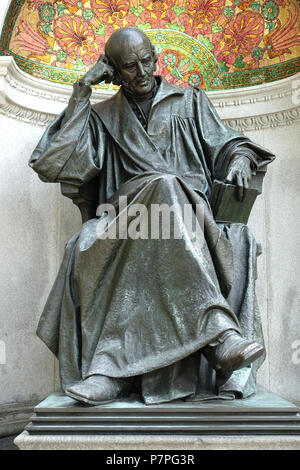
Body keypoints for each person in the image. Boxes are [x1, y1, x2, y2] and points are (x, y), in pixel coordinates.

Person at [29, 27, 275, 406]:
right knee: (160, 185)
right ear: (111, 69)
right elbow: (52, 162)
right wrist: (82, 89)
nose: (141, 71)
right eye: (128, 66)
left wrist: (240, 157)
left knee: (167, 188)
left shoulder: (190, 101)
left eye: (146, 60)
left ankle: (108, 372)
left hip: (189, 214)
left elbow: (226, 141)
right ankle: (219, 337)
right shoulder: (102, 117)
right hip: (124, 218)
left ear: (156, 56)